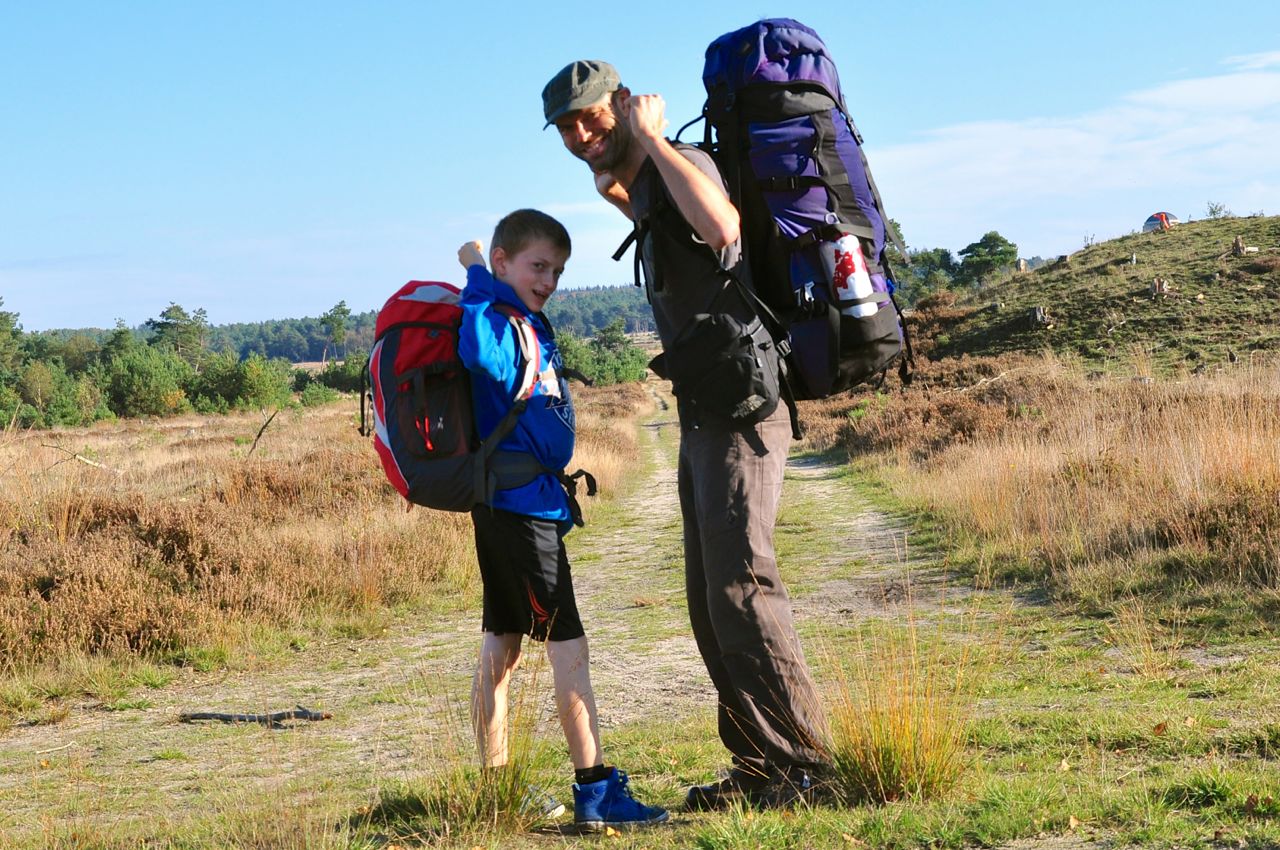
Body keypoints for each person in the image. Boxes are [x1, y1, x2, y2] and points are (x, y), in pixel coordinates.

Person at [541, 62, 830, 810]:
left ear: (624, 105)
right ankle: (759, 764)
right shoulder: (641, 186)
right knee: (710, 598)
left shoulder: (684, 164)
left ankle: (804, 767)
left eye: (591, 118)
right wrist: (620, 162)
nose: (580, 135)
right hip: (703, 408)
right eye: (568, 127)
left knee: (743, 588)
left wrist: (656, 139)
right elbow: (622, 196)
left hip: (743, 405)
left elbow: (722, 228)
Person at [457, 208, 668, 832]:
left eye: (557, 270)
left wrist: (487, 278)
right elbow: (477, 351)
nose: (548, 280)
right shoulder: (492, 314)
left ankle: (498, 787)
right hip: (521, 514)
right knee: (568, 647)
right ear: (504, 263)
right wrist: (473, 272)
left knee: (503, 643)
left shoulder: (521, 318)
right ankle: (596, 791)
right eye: (537, 266)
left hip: (516, 507)